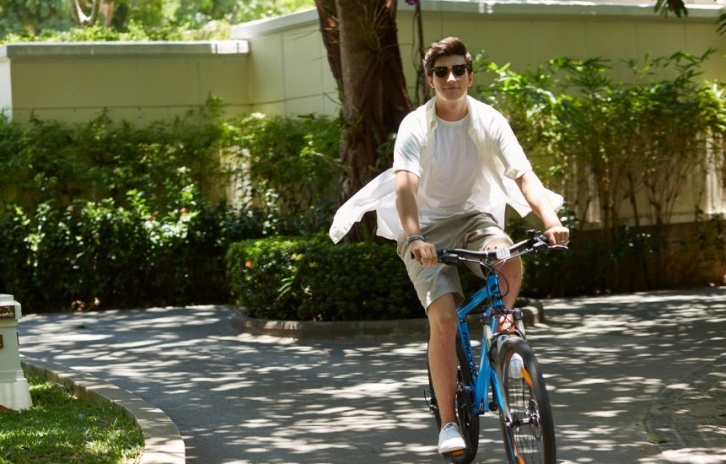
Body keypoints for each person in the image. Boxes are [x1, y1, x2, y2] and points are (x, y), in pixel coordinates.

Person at [329, 36, 569, 456]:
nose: (451, 77)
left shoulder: (489, 119)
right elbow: (405, 187)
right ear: (430, 79)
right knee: (442, 317)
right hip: (425, 229)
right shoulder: (416, 126)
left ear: (470, 76)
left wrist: (551, 222)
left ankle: (502, 337)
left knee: (508, 259)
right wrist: (415, 237)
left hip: (474, 218)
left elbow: (523, 176)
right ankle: (448, 422)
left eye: (459, 70)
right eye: (442, 72)